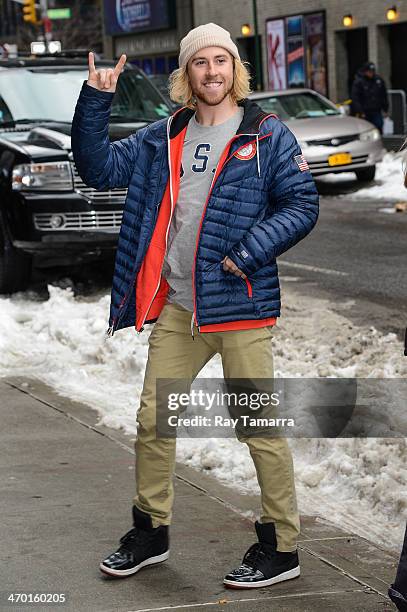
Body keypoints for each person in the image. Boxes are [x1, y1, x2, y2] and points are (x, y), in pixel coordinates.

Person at [71, 22, 319, 589]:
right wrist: (97, 101)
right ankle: (150, 531)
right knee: (154, 423)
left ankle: (282, 545)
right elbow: (98, 169)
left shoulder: (266, 133)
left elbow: (301, 205)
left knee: (258, 427)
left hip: (241, 305)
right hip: (181, 309)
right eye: (200, 63)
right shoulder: (165, 136)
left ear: (236, 69)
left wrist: (245, 254)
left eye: (221, 60)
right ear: (186, 75)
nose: (212, 71)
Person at [350, 61, 389, 133]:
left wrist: (385, 108)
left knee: (379, 126)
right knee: (366, 129)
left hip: (376, 110)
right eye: (369, 71)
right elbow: (355, 97)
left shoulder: (378, 80)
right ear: (365, 71)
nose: (371, 73)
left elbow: (383, 95)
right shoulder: (359, 82)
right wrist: (360, 111)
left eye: (372, 71)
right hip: (364, 111)